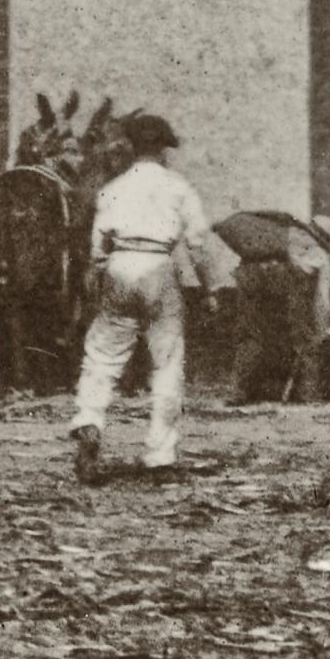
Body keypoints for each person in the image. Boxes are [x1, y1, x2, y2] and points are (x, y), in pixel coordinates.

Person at [71, 110, 218, 483]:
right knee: (166, 362)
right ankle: (160, 456)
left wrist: (97, 274)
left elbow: (98, 246)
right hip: (157, 266)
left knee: (102, 355)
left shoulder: (114, 188)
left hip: (120, 264)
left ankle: (89, 421)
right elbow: (198, 245)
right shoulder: (178, 187)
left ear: (132, 147)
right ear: (164, 150)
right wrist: (210, 289)